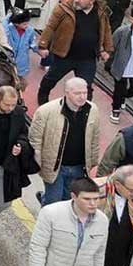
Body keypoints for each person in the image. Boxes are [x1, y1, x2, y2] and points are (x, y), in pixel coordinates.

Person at [30, 77, 101, 206]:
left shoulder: (93, 110)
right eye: (77, 93)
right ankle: (47, 220)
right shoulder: (46, 111)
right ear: (67, 93)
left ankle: (45, 200)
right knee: (54, 201)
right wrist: (38, 161)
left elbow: (95, 137)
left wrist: (93, 161)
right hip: (55, 167)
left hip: (79, 167)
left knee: (68, 201)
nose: (82, 97)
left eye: (84, 93)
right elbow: (35, 139)